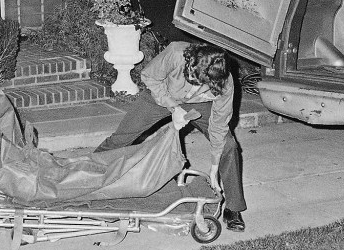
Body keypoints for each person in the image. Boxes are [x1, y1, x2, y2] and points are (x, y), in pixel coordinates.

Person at [94, 41, 248, 232]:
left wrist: (214, 168)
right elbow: (149, 76)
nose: (191, 83)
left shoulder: (225, 84)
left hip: (199, 106)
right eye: (189, 75)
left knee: (228, 147)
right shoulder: (176, 53)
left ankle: (233, 208)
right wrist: (174, 108)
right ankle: (87, 174)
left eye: (197, 82)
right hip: (162, 95)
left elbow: (219, 126)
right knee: (122, 137)